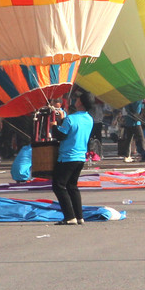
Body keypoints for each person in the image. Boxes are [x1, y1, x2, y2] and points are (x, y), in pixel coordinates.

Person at [52, 92, 94, 225]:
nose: (75, 100)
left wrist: (54, 124)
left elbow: (60, 135)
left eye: (77, 99)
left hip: (67, 157)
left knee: (58, 185)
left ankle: (69, 217)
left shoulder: (70, 119)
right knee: (72, 186)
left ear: (80, 102)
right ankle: (79, 216)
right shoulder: (89, 119)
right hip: (81, 157)